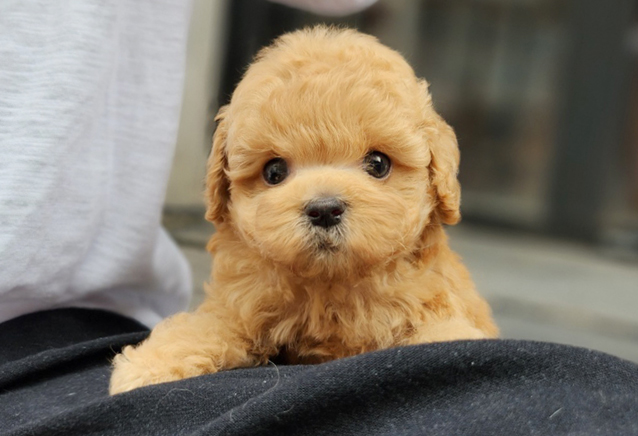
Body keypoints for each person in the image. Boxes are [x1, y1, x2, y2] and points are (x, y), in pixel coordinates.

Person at [0, 1, 637, 435]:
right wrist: (175, 358)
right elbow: (226, 327)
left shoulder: (422, 293)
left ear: (437, 173)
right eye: (275, 172)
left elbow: (452, 350)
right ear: (223, 187)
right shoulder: (253, 283)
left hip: (96, 323)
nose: (324, 201)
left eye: (377, 165)